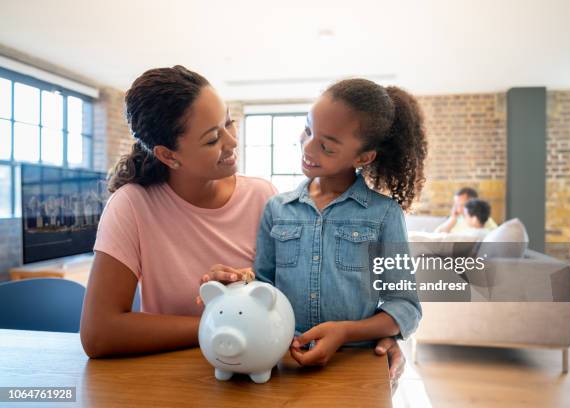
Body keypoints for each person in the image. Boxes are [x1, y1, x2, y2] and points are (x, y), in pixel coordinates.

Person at [79, 66, 404, 381]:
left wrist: (378, 336)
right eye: (211, 140)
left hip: (269, 375)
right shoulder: (131, 206)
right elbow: (99, 334)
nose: (232, 142)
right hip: (178, 378)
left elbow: (310, 294)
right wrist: (223, 321)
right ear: (168, 155)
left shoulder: (266, 197)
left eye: (229, 123)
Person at [249, 78, 426, 367]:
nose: (307, 148)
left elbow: (405, 305)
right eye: (308, 129)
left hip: (355, 361)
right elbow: (262, 287)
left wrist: (346, 332)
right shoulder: (277, 209)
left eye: (327, 147)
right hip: (282, 357)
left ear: (363, 157)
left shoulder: (384, 214)